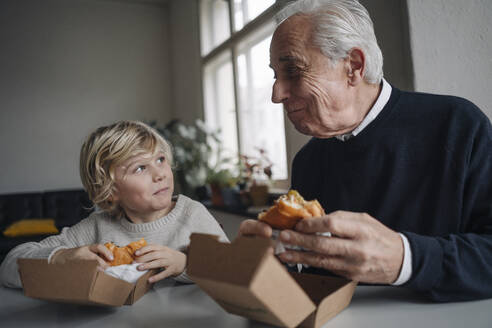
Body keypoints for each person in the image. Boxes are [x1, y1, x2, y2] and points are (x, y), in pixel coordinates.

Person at [239, 0, 492, 302]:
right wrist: (281, 257)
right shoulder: (308, 161)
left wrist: (404, 260)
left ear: (353, 67)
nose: (276, 94)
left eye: (293, 70)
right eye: (275, 75)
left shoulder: (457, 126)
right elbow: (315, 277)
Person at [0, 120, 229, 288]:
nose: (160, 174)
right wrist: (61, 257)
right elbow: (8, 266)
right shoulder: (97, 228)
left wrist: (185, 264)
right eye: (140, 168)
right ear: (110, 191)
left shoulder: (192, 215)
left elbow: (234, 270)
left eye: (160, 159)